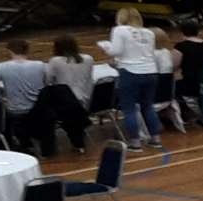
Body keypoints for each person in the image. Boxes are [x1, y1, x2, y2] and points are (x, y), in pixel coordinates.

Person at [101, 8, 163, 151]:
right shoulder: (148, 32)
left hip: (130, 71)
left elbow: (115, 51)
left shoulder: (119, 30)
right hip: (150, 71)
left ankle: (135, 142)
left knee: (129, 109)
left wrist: (105, 46)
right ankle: (156, 139)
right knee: (148, 106)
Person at [0, 39, 47, 150]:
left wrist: (3, 92)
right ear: (27, 50)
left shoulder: (0, 67)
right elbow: (48, 83)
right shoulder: (41, 65)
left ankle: (11, 143)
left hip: (16, 110)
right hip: (39, 109)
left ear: (10, 51)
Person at [44, 34, 95, 109]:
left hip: (65, 102)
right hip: (86, 100)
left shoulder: (55, 61)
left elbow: (47, 81)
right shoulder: (89, 58)